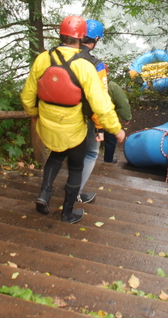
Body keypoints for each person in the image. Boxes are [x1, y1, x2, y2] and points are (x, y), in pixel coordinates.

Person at [20, 15, 126, 224]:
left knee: (56, 156)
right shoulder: (85, 66)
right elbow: (101, 104)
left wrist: (33, 113)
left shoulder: (43, 58)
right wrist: (116, 129)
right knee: (76, 167)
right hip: (73, 128)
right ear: (81, 39)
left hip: (48, 124)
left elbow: (26, 95)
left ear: (61, 34)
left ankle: (44, 195)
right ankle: (67, 213)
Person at [76, 19, 110, 204]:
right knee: (91, 153)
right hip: (87, 115)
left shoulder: (65, 54)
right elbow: (100, 97)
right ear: (96, 39)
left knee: (65, 152)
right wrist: (100, 127)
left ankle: (46, 191)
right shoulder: (96, 64)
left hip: (65, 112)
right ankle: (76, 193)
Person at [103, 80, 132, 163]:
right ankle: (108, 160)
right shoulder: (112, 86)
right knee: (110, 140)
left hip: (91, 118)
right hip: (109, 118)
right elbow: (122, 103)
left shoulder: (88, 82)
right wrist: (127, 117)